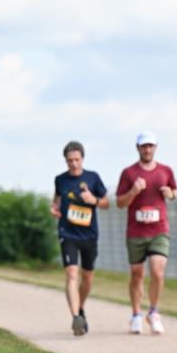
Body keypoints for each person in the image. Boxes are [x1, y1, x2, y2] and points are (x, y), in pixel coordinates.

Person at [116, 132, 177, 334]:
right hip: (136, 232)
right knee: (137, 274)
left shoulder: (165, 170)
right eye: (144, 146)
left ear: (156, 147)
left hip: (159, 230)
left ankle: (153, 312)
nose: (147, 149)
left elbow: (176, 191)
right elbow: (120, 203)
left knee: (157, 270)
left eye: (150, 145)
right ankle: (136, 314)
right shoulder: (129, 173)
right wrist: (133, 191)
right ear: (138, 148)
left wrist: (171, 194)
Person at [51, 141, 109, 335]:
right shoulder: (60, 180)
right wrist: (54, 208)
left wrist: (94, 200)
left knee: (88, 278)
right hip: (68, 234)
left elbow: (106, 203)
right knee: (71, 274)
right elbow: (57, 199)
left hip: (89, 235)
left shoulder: (93, 178)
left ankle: (81, 308)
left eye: (77, 160)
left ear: (82, 158)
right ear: (65, 161)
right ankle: (76, 317)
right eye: (70, 160)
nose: (74, 164)